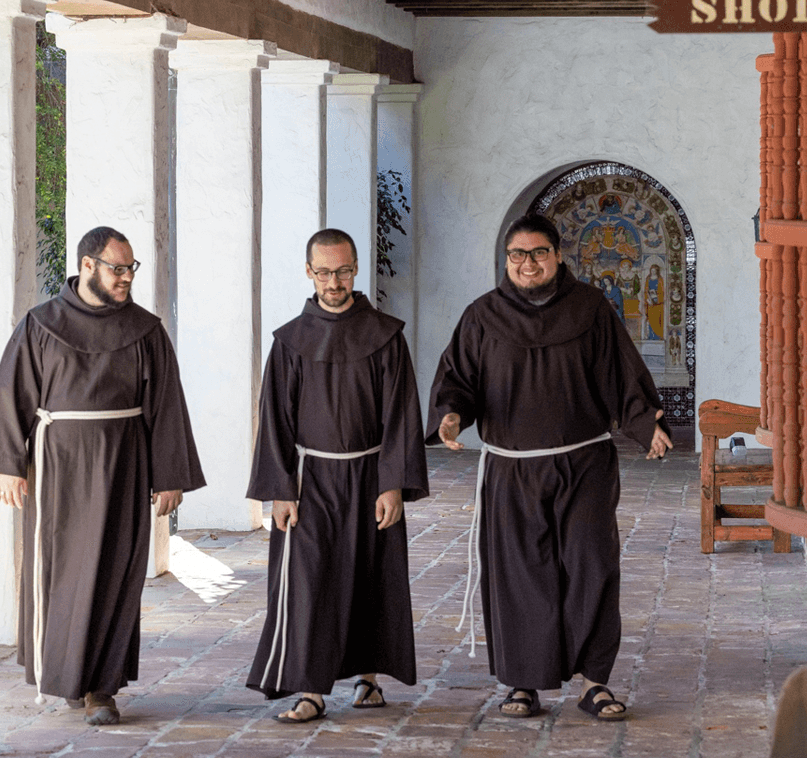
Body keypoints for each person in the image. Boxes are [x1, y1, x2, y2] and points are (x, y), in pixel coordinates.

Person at [427, 213, 672, 722]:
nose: (528, 263)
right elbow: (458, 381)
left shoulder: (591, 310)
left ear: (559, 256)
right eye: (518, 254)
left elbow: (621, 374)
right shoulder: (482, 316)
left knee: (591, 566)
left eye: (538, 252)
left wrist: (645, 424)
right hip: (512, 470)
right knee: (520, 574)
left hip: (584, 464)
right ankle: (523, 684)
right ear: (507, 260)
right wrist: (450, 417)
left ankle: (595, 683)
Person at [0, 226, 206, 726]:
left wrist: (170, 475)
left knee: (115, 572)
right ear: (87, 265)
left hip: (124, 465)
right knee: (62, 572)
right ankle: (66, 675)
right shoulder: (40, 325)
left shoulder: (146, 330)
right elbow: (10, 393)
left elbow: (166, 406)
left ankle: (102, 687)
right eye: (118, 268)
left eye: (130, 269)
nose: (126, 278)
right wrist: (8, 464)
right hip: (58, 468)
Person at [245, 228, 429, 724]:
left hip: (371, 475)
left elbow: (401, 414)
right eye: (324, 272)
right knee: (310, 582)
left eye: (343, 271)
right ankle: (310, 689)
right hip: (309, 482)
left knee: (370, 575)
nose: (334, 281)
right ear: (309, 272)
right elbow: (274, 419)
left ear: (356, 269)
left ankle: (367, 679)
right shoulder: (289, 342)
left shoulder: (386, 336)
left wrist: (393, 482)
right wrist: (279, 490)